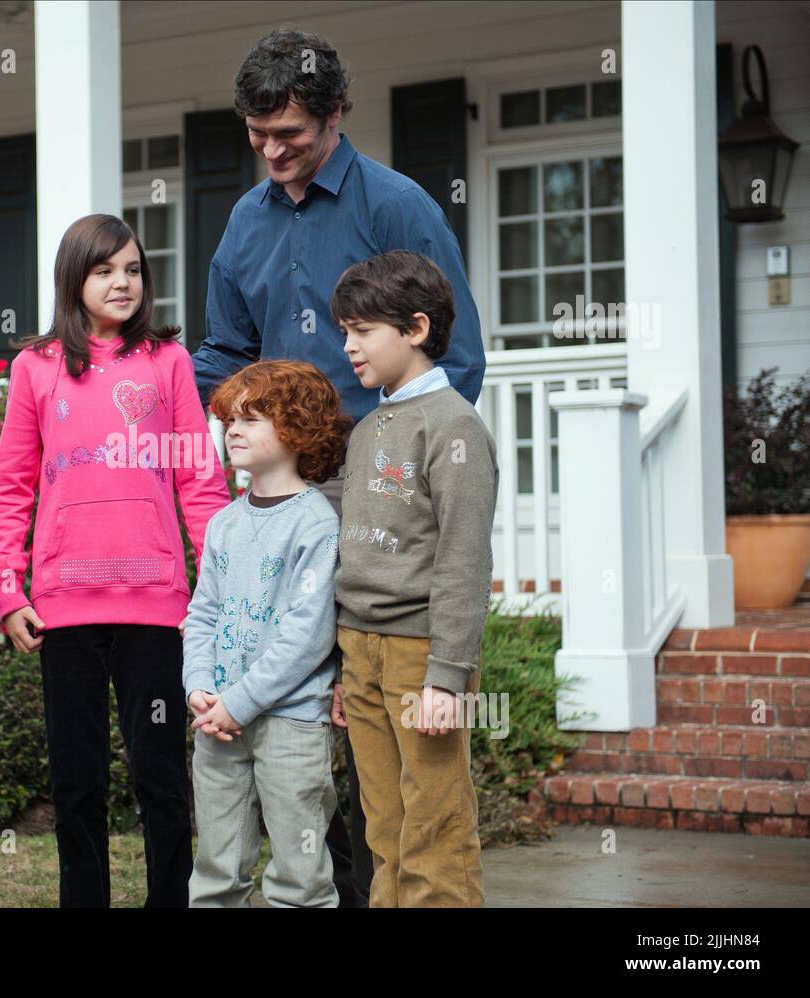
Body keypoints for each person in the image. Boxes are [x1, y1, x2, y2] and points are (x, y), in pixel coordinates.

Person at [191, 28, 487, 906]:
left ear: (334, 115)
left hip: (381, 499)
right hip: (285, 495)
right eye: (257, 135)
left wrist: (390, 466)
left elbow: (457, 358)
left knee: (387, 723)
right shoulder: (244, 221)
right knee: (310, 714)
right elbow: (224, 351)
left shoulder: (397, 206)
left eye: (290, 134)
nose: (273, 153)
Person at [0, 213, 228, 907]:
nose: (122, 282)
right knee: (77, 779)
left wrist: (210, 596)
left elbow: (200, 483)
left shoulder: (168, 361)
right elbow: (11, 485)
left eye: (133, 270)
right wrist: (7, 587)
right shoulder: (35, 367)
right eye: (104, 270)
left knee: (159, 775)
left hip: (156, 607)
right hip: (64, 609)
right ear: (74, 278)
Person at [331, 250, 498, 907]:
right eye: (344, 330)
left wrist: (447, 676)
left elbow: (464, 556)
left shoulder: (454, 427)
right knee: (385, 831)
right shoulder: (369, 427)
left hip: (420, 653)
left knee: (435, 830)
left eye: (363, 331)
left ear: (417, 329)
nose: (348, 346)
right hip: (359, 650)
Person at [183, 359, 349, 907]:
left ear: (299, 429)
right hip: (218, 724)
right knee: (216, 869)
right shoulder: (225, 523)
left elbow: (307, 635)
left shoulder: (317, 524)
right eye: (231, 418)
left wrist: (241, 701)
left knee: (299, 877)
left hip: (291, 724)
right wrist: (199, 687)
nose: (234, 429)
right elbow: (203, 613)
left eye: (253, 418)